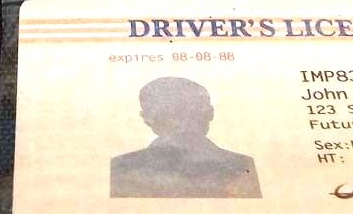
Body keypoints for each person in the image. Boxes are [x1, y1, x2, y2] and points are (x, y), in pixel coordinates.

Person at [110, 76, 261, 198]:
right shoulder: (242, 165)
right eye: (173, 113)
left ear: (146, 117)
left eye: (189, 111)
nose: (183, 123)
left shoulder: (122, 166)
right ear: (210, 113)